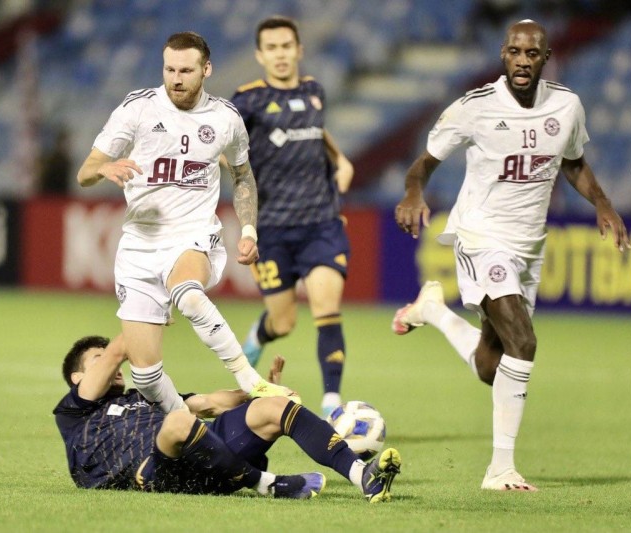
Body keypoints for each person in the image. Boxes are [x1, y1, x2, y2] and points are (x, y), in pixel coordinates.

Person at [393, 19, 630, 492]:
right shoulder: (475, 107)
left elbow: (573, 162)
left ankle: (434, 311)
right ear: (503, 55)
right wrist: (413, 193)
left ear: (546, 58)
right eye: (515, 52)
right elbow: (423, 163)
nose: (523, 61)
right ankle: (500, 470)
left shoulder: (566, 106)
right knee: (524, 342)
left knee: (492, 366)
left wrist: (602, 203)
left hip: (528, 247)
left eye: (532, 53)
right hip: (481, 237)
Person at [76, 32, 295, 414]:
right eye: (169, 70)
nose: (175, 79)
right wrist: (105, 168)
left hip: (193, 234)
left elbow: (243, 176)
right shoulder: (138, 108)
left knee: (189, 294)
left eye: (185, 71)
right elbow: (85, 173)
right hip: (139, 246)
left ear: (206, 69)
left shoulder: (225, 118)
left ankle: (251, 381)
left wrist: (248, 230)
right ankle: (186, 427)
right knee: (146, 376)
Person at [54, 334, 401, 502]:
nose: (111, 365)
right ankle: (268, 484)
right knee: (177, 423)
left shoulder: (143, 397)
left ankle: (363, 476)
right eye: (98, 360)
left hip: (206, 460)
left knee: (272, 409)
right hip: (154, 472)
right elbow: (121, 348)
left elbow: (209, 403)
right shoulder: (75, 411)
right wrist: (150, 310)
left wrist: (261, 391)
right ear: (77, 378)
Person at [230, 16, 355, 417]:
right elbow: (222, 144)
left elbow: (316, 131)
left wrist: (340, 159)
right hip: (272, 229)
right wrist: (231, 169)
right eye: (272, 48)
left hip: (321, 223)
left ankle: (332, 404)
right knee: (283, 322)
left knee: (326, 306)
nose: (280, 54)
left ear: (299, 50)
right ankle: (258, 334)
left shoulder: (315, 91)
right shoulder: (247, 100)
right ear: (260, 55)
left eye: (286, 46)